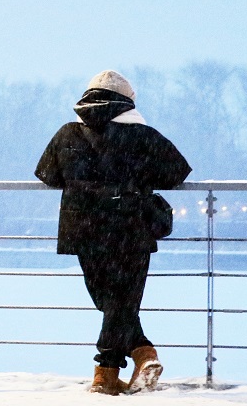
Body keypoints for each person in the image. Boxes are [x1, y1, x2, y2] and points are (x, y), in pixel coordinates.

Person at [35, 70, 191, 395]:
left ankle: (120, 367)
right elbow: (176, 172)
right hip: (130, 228)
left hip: (85, 230)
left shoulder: (68, 134)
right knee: (121, 301)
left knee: (110, 300)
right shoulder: (142, 136)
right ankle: (128, 361)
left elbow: (48, 174)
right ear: (127, 102)